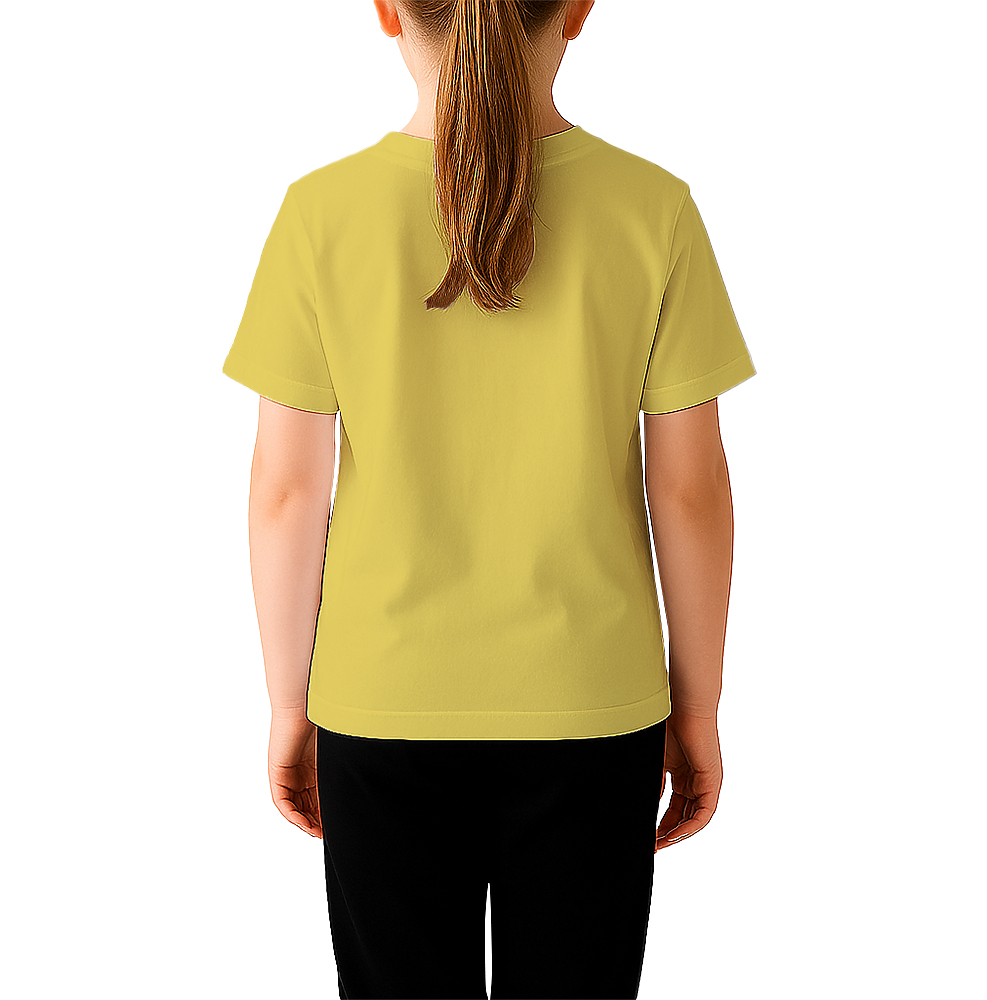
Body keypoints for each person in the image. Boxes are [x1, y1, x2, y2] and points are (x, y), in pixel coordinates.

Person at [221, 1, 757, 997]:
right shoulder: (655, 210)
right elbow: (690, 492)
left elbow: (286, 493)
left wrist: (289, 704)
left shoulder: (319, 214)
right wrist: (698, 706)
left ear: (387, 12)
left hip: (381, 704)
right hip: (591, 708)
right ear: (578, 9)